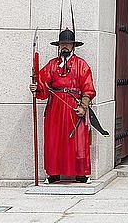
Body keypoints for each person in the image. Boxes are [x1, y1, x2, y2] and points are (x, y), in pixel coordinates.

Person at [29, 27, 96, 184]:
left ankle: (81, 174)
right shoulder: (52, 65)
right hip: (55, 108)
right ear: (59, 46)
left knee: (78, 141)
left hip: (74, 106)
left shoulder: (81, 64)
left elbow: (88, 88)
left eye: (68, 43)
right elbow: (42, 84)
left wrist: (83, 105)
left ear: (73, 46)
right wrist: (36, 87)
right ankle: (53, 173)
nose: (65, 46)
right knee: (54, 140)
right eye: (62, 44)